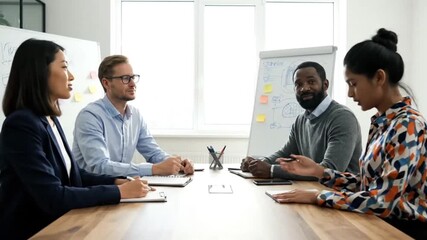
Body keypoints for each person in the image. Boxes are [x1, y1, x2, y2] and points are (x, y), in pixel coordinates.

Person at [274, 28, 427, 239]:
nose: (349, 93)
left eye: (353, 84)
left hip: (402, 230)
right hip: (376, 220)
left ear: (379, 78)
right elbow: (368, 184)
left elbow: (383, 201)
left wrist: (319, 196)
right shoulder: (382, 122)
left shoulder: (408, 124)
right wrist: (319, 172)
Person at [0, 39, 152, 239]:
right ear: (39, 72)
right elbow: (53, 196)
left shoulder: (49, 119)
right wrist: (120, 193)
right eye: (64, 67)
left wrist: (117, 181)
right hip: (35, 231)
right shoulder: (21, 125)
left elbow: (73, 175)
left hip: (61, 223)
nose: (71, 76)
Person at [72, 55, 194, 177]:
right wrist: (154, 169)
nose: (132, 84)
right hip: (93, 191)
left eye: (133, 78)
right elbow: (100, 167)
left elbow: (153, 153)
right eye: (125, 78)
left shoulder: (135, 115)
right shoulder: (90, 116)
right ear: (106, 83)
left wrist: (177, 164)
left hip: (122, 187)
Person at [241, 61, 362, 180]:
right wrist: (258, 164)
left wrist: (271, 170)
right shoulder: (301, 120)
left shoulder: (342, 118)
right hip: (313, 190)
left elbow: (330, 171)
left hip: (341, 194)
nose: (304, 88)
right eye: (298, 84)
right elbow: (285, 153)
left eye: (311, 82)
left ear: (325, 85)